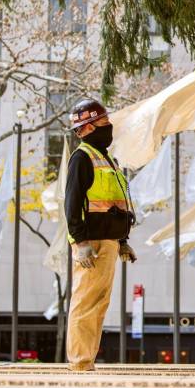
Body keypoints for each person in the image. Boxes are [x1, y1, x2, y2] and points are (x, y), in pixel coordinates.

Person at [65, 99, 136, 371]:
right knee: (85, 302)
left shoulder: (107, 159)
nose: (108, 128)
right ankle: (80, 363)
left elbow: (115, 202)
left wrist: (122, 241)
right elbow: (72, 203)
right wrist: (79, 242)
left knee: (99, 303)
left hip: (106, 243)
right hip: (90, 244)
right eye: (104, 124)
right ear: (86, 128)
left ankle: (86, 361)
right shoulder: (82, 157)